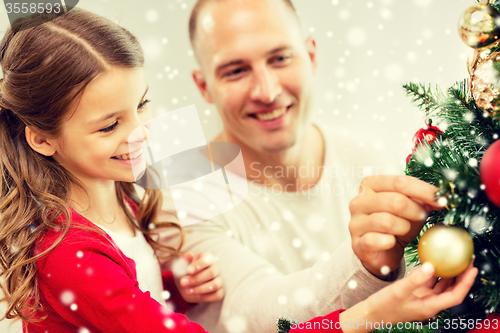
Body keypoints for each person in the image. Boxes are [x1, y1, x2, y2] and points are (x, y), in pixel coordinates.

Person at [158, 0, 476, 332]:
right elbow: (255, 317)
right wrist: (366, 264)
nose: (266, 92)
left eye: (280, 58)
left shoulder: (369, 157)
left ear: (310, 56)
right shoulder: (180, 195)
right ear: (204, 86)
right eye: (235, 70)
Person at [0, 8, 224, 332]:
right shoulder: (68, 252)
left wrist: (176, 287)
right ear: (43, 139)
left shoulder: (116, 196)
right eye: (109, 126)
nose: (141, 132)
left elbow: (124, 300)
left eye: (142, 105)